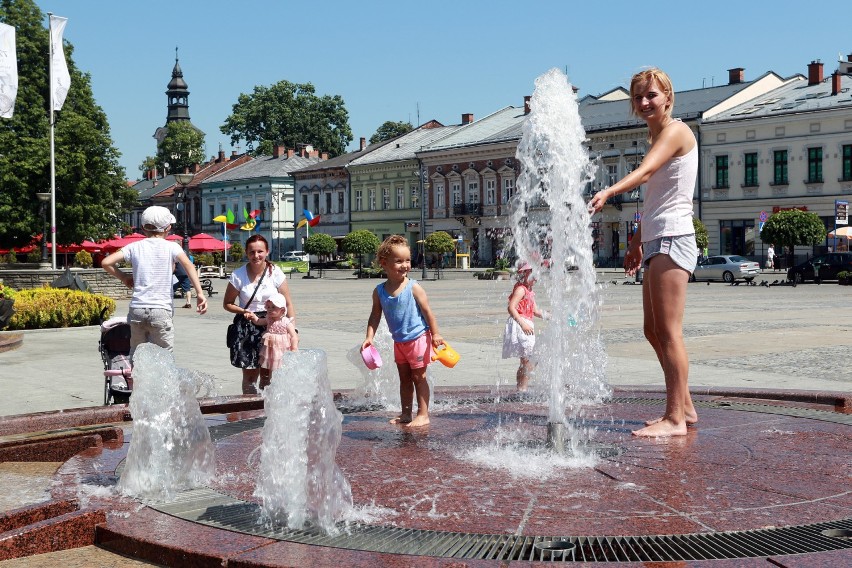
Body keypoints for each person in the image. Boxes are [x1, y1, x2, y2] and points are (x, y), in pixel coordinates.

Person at [588, 67, 698, 437]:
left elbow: (647, 173)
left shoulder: (676, 132)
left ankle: (675, 419)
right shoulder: (656, 136)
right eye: (638, 97)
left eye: (652, 94)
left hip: (672, 237)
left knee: (669, 332)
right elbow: (654, 198)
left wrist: (609, 191)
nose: (645, 102)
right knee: (652, 330)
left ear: (668, 96)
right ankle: (684, 406)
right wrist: (636, 240)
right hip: (656, 238)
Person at [102, 206, 208, 360]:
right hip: (161, 309)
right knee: (164, 358)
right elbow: (189, 265)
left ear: (143, 227)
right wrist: (199, 293)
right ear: (168, 228)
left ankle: (136, 383)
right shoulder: (172, 247)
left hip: (137, 308)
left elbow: (106, 262)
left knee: (136, 356)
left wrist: (124, 277)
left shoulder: (134, 247)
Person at [362, 235, 444, 427]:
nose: (405, 265)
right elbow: (375, 316)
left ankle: (423, 414)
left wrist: (436, 334)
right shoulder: (379, 291)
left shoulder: (413, 287)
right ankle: (406, 413)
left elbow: (428, 312)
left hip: (418, 338)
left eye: (407, 260)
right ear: (384, 263)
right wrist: (369, 337)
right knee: (404, 379)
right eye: (399, 261)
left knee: (419, 377)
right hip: (399, 342)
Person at [223, 234, 296, 394]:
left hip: (272, 327)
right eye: (252, 252)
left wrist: (292, 329)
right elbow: (227, 304)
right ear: (246, 253)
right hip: (247, 328)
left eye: (260, 251)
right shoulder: (238, 275)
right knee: (249, 377)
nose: (256, 256)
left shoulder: (275, 273)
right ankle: (249, 412)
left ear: (267, 252)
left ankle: (265, 412)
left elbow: (288, 302)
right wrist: (243, 311)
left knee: (266, 377)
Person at [502, 261, 545, 392]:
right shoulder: (521, 289)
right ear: (524, 273)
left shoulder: (529, 290)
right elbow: (511, 307)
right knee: (529, 359)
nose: (536, 277)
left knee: (527, 360)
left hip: (526, 324)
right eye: (533, 274)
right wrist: (523, 323)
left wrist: (551, 316)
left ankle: (521, 388)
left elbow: (536, 311)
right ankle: (522, 389)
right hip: (520, 324)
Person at [248, 292, 299, 370]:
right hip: (270, 349)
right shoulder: (269, 319)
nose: (270, 309)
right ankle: (270, 376)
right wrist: (254, 318)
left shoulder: (286, 322)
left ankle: (279, 376)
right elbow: (259, 321)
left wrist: (294, 347)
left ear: (282, 310)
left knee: (281, 365)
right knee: (269, 364)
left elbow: (294, 336)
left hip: (282, 349)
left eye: (273, 307)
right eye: (268, 307)